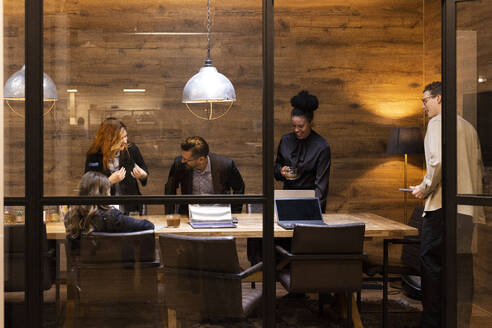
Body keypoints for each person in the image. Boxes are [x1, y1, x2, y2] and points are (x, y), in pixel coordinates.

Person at [410, 81, 484, 327]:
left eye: (425, 100)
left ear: (439, 98)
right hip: (466, 210)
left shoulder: (437, 123)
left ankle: (431, 322)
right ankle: (458, 320)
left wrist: (424, 187)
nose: (423, 107)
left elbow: (437, 163)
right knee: (460, 268)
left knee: (431, 265)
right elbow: (477, 170)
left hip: (442, 209)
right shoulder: (469, 127)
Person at [274, 90, 331, 212]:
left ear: (310, 123)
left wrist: (314, 213)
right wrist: (281, 171)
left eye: (301, 126)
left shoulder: (321, 147)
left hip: (310, 202)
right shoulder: (286, 140)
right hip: (286, 199)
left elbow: (321, 187)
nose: (296, 130)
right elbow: (276, 168)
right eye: (293, 126)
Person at [65, 171, 154, 249]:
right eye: (109, 191)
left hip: (83, 266)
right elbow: (148, 226)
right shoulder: (112, 217)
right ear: (105, 194)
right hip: (115, 266)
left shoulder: (71, 217)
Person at [165, 136, 245, 214]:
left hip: (219, 213)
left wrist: (234, 213)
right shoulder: (179, 164)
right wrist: (170, 215)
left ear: (201, 159)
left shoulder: (226, 165)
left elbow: (239, 187)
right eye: (182, 157)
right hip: (189, 214)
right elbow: (170, 189)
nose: (182, 161)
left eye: (186, 159)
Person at [85, 118, 148, 215]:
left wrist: (143, 175)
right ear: (109, 139)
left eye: (126, 136)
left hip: (131, 207)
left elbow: (144, 170)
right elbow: (88, 185)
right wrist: (109, 181)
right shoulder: (94, 155)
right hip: (105, 210)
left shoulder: (131, 150)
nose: (125, 141)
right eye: (121, 138)